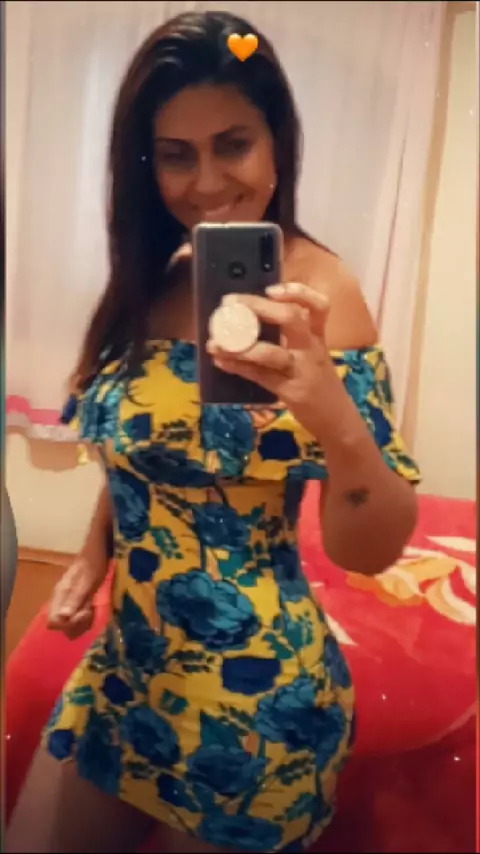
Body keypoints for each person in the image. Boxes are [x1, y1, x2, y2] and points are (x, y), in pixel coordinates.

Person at [6, 10, 421, 854]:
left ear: (278, 144)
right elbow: (150, 451)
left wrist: (336, 420)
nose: (204, 183)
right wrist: (92, 555)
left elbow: (370, 550)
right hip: (127, 673)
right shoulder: (157, 276)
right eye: (175, 154)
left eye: (232, 145)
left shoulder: (323, 294)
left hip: (259, 700)